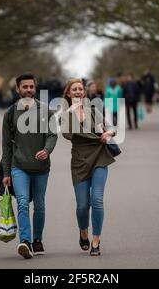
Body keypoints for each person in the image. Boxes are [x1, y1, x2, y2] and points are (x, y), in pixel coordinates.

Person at [1, 73, 58, 259]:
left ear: (35, 88)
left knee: (39, 206)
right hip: (19, 167)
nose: (28, 90)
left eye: (31, 87)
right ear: (18, 89)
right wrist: (6, 171)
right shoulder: (10, 114)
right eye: (24, 87)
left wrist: (47, 150)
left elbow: (52, 134)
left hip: (41, 168)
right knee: (23, 203)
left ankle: (37, 239)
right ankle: (25, 241)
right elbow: (6, 145)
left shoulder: (46, 110)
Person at [61, 78, 117, 256]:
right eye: (74, 89)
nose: (78, 92)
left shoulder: (93, 110)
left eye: (80, 89)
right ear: (69, 94)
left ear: (83, 93)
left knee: (97, 200)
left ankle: (96, 240)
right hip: (79, 161)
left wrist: (108, 133)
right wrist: (71, 112)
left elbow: (111, 128)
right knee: (82, 206)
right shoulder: (65, 114)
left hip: (100, 157)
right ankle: (83, 231)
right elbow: (67, 134)